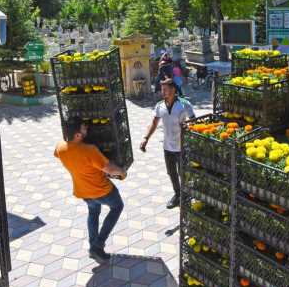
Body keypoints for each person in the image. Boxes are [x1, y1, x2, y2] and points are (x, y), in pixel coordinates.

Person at [54, 117, 127, 264]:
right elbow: (110, 169)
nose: (86, 129)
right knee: (117, 207)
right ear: (77, 135)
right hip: (102, 190)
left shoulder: (60, 147)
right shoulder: (89, 150)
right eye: (83, 128)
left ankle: (94, 247)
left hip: (82, 190)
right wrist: (122, 172)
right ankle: (98, 245)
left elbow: (56, 153)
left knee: (93, 212)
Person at [140, 79, 195, 209]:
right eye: (162, 89)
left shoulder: (184, 104)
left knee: (183, 173)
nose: (162, 92)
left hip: (182, 146)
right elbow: (154, 123)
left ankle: (186, 196)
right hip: (167, 146)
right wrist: (145, 138)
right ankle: (177, 195)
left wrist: (188, 127)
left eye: (165, 89)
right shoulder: (160, 106)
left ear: (173, 90)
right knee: (171, 173)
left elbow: (195, 121)